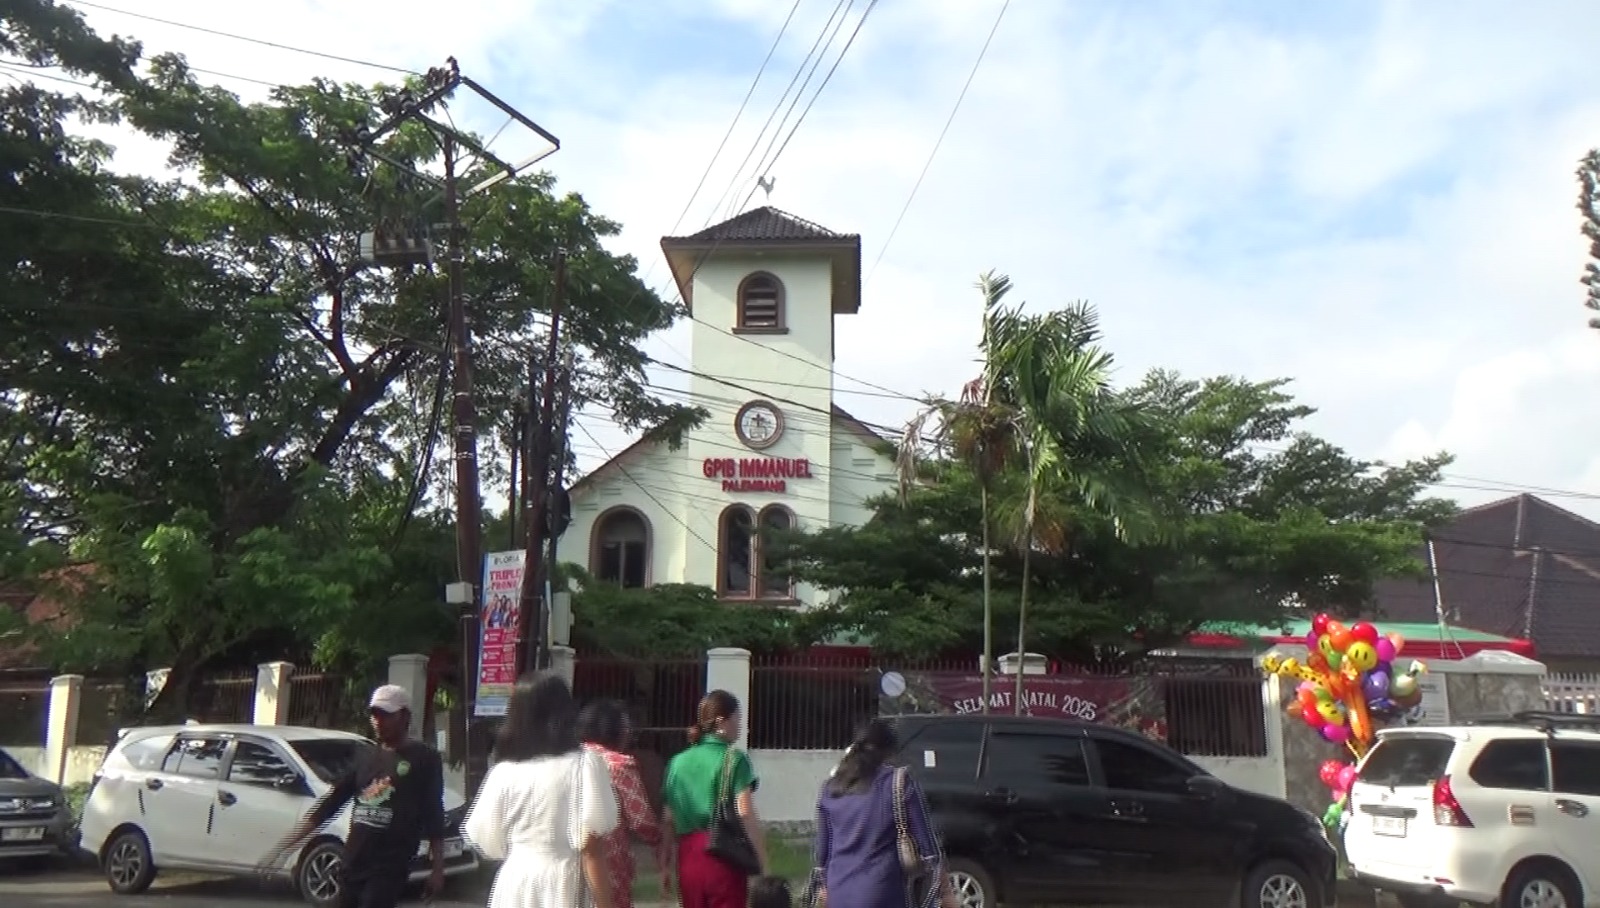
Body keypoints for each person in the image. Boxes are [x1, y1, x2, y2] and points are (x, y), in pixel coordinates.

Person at [260, 684, 446, 908]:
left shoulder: (425, 759)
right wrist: (285, 846)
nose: (378, 720)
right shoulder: (365, 757)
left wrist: (437, 869)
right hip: (353, 861)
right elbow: (331, 803)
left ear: (404, 716)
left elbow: (433, 813)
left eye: (386, 715)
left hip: (390, 866)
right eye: (374, 714)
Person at [461, 671, 619, 908]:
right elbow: (591, 849)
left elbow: (489, 842)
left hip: (515, 882)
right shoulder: (584, 764)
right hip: (563, 882)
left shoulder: (502, 773)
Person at [803, 719, 955, 908]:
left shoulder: (831, 788)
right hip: (882, 892)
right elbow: (929, 851)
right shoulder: (898, 782)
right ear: (890, 751)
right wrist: (946, 894)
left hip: (839, 893)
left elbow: (822, 855)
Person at [661, 689, 766, 908]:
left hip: (688, 855)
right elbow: (744, 813)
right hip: (722, 852)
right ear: (721, 722)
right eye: (737, 718)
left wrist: (664, 863)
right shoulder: (734, 759)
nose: (740, 725)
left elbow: (668, 817)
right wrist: (761, 863)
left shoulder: (677, 762)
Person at [578, 699, 662, 908]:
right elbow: (641, 820)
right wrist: (660, 841)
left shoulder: (568, 759)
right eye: (627, 728)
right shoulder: (618, 764)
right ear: (615, 730)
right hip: (607, 857)